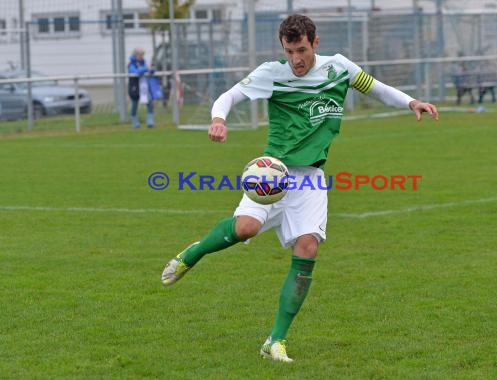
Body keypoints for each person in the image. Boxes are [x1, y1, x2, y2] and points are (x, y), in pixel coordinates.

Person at [161, 14, 439, 362]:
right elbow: (228, 97)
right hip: (272, 171)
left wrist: (411, 102)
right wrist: (218, 119)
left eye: (302, 50)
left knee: (307, 248)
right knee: (246, 228)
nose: (296, 59)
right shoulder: (271, 72)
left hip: (310, 178)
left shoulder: (339, 68)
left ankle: (275, 341)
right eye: (290, 51)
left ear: (315, 43)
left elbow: (377, 88)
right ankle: (195, 253)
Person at [127, 48, 154, 128]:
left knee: (149, 103)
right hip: (135, 88)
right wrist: (146, 69)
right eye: (140, 55)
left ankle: (150, 121)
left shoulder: (145, 63)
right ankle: (135, 122)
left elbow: (149, 70)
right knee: (135, 105)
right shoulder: (131, 64)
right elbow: (135, 72)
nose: (142, 57)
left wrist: (151, 70)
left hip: (144, 87)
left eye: (143, 55)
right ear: (135, 55)